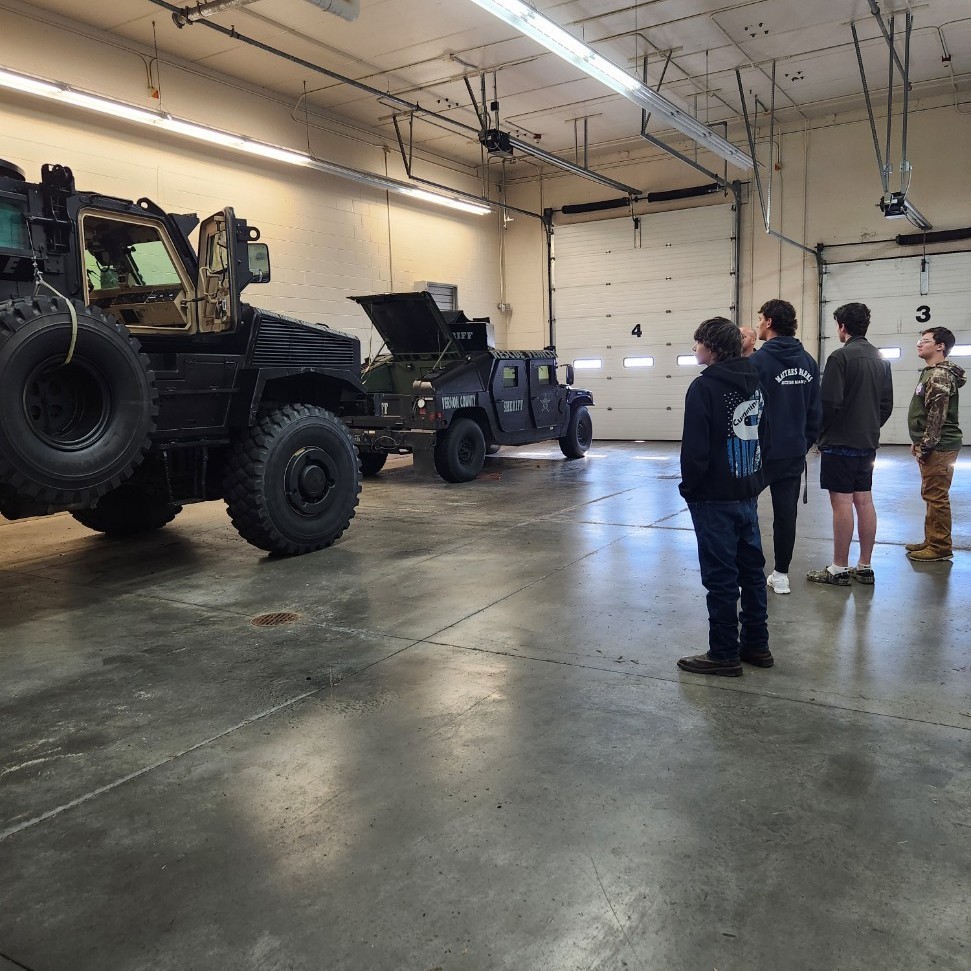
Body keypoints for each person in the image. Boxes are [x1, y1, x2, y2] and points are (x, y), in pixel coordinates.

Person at [677, 316, 771, 677]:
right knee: (751, 571)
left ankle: (723, 653)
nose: (694, 348)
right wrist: (756, 478)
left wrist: (690, 488)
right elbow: (767, 435)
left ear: (711, 349)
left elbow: (695, 449)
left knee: (720, 576)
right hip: (746, 489)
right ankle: (757, 645)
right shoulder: (755, 382)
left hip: (714, 495)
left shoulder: (704, 388)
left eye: (697, 342)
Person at [808, 302, 893, 586]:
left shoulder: (840, 357)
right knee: (864, 499)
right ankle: (865, 566)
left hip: (840, 442)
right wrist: (868, 426)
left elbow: (829, 402)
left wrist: (821, 434)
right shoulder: (881, 360)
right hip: (867, 442)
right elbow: (886, 405)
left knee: (842, 503)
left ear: (842, 327)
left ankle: (839, 568)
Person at [751, 299, 821, 594]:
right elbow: (815, 412)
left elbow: (748, 410)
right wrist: (802, 443)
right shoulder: (808, 361)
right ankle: (781, 575)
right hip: (793, 453)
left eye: (759, 319)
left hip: (760, 455)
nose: (757, 325)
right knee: (785, 515)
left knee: (746, 511)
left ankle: (751, 573)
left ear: (768, 322)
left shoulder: (757, 362)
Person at [906, 326, 965, 561]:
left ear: (940, 346)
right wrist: (918, 441)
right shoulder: (931, 372)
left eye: (925, 341)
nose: (920, 344)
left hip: (939, 446)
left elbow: (936, 416)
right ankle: (932, 539)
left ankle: (940, 546)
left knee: (936, 496)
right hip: (934, 444)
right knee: (931, 493)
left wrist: (926, 445)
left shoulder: (939, 375)